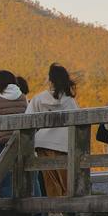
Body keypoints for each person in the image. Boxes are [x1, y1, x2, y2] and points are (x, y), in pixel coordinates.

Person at [26, 64, 79, 201]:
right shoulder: (70, 102)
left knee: (50, 181)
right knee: (67, 182)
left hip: (42, 143)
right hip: (63, 144)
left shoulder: (38, 99)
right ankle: (71, 210)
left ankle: (55, 213)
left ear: (51, 80)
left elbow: (27, 120)